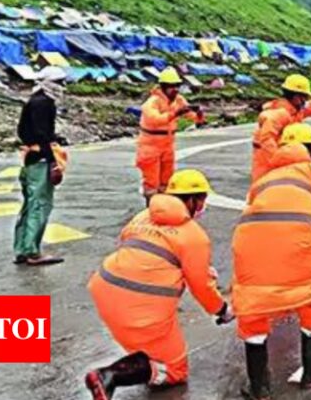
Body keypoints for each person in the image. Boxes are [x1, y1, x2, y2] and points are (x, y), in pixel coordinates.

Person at [85, 169, 231, 399]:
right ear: (192, 200)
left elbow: (138, 249)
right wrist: (222, 310)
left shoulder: (143, 216)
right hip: (142, 305)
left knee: (149, 348)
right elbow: (201, 286)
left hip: (105, 287)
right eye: (202, 199)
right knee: (175, 370)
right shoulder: (193, 235)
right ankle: (108, 376)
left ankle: (122, 369)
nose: (203, 205)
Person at [233, 123, 311, 398]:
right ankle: (310, 373)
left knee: (254, 309)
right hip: (298, 249)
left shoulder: (263, 180)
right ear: (309, 151)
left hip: (248, 252)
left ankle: (259, 387)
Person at [14, 66, 68, 266]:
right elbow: (42, 133)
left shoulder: (33, 101)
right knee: (40, 205)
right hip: (41, 160)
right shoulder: (45, 103)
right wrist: (52, 160)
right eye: (60, 82)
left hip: (30, 159)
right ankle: (33, 252)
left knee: (29, 206)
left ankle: (22, 248)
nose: (62, 87)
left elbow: (24, 131)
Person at [135, 67, 205, 203]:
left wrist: (199, 113)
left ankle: (164, 207)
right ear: (163, 86)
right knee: (151, 182)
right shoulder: (152, 102)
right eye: (172, 86)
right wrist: (175, 114)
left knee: (167, 181)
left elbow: (193, 117)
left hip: (168, 145)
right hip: (150, 146)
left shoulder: (178, 100)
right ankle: (151, 208)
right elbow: (154, 120)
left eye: (177, 86)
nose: (176, 89)